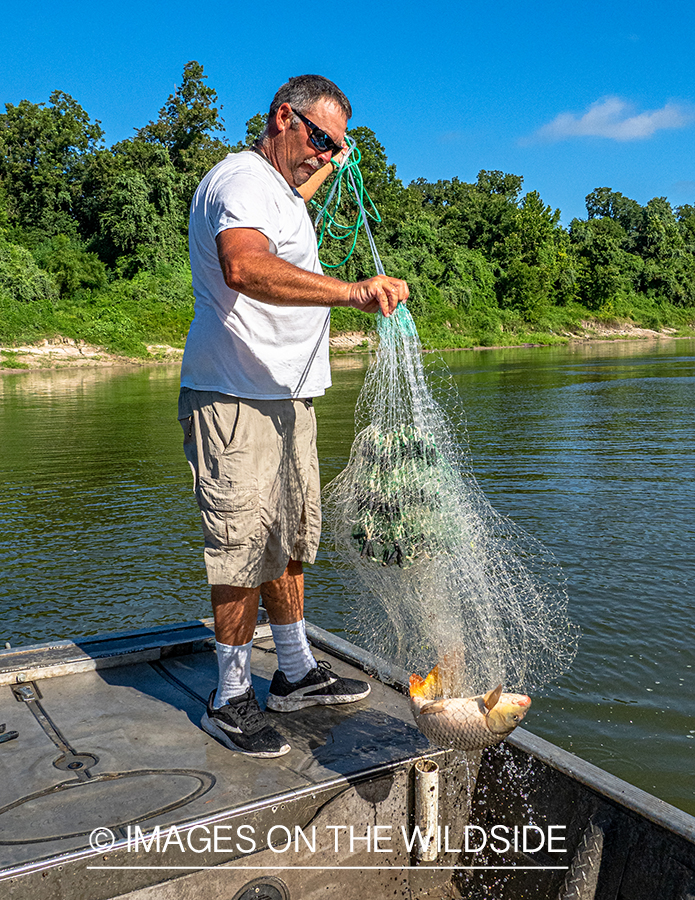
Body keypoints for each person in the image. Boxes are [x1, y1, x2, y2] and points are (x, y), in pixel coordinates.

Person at [178, 74, 409, 759]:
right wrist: (351, 292)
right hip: (236, 396)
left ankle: (295, 672)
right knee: (241, 546)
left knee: (287, 540)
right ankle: (229, 695)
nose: (324, 154)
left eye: (334, 146)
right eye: (318, 138)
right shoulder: (241, 180)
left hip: (285, 398)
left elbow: (289, 199)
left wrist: (325, 167)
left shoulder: (276, 189)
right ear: (284, 117)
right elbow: (245, 267)